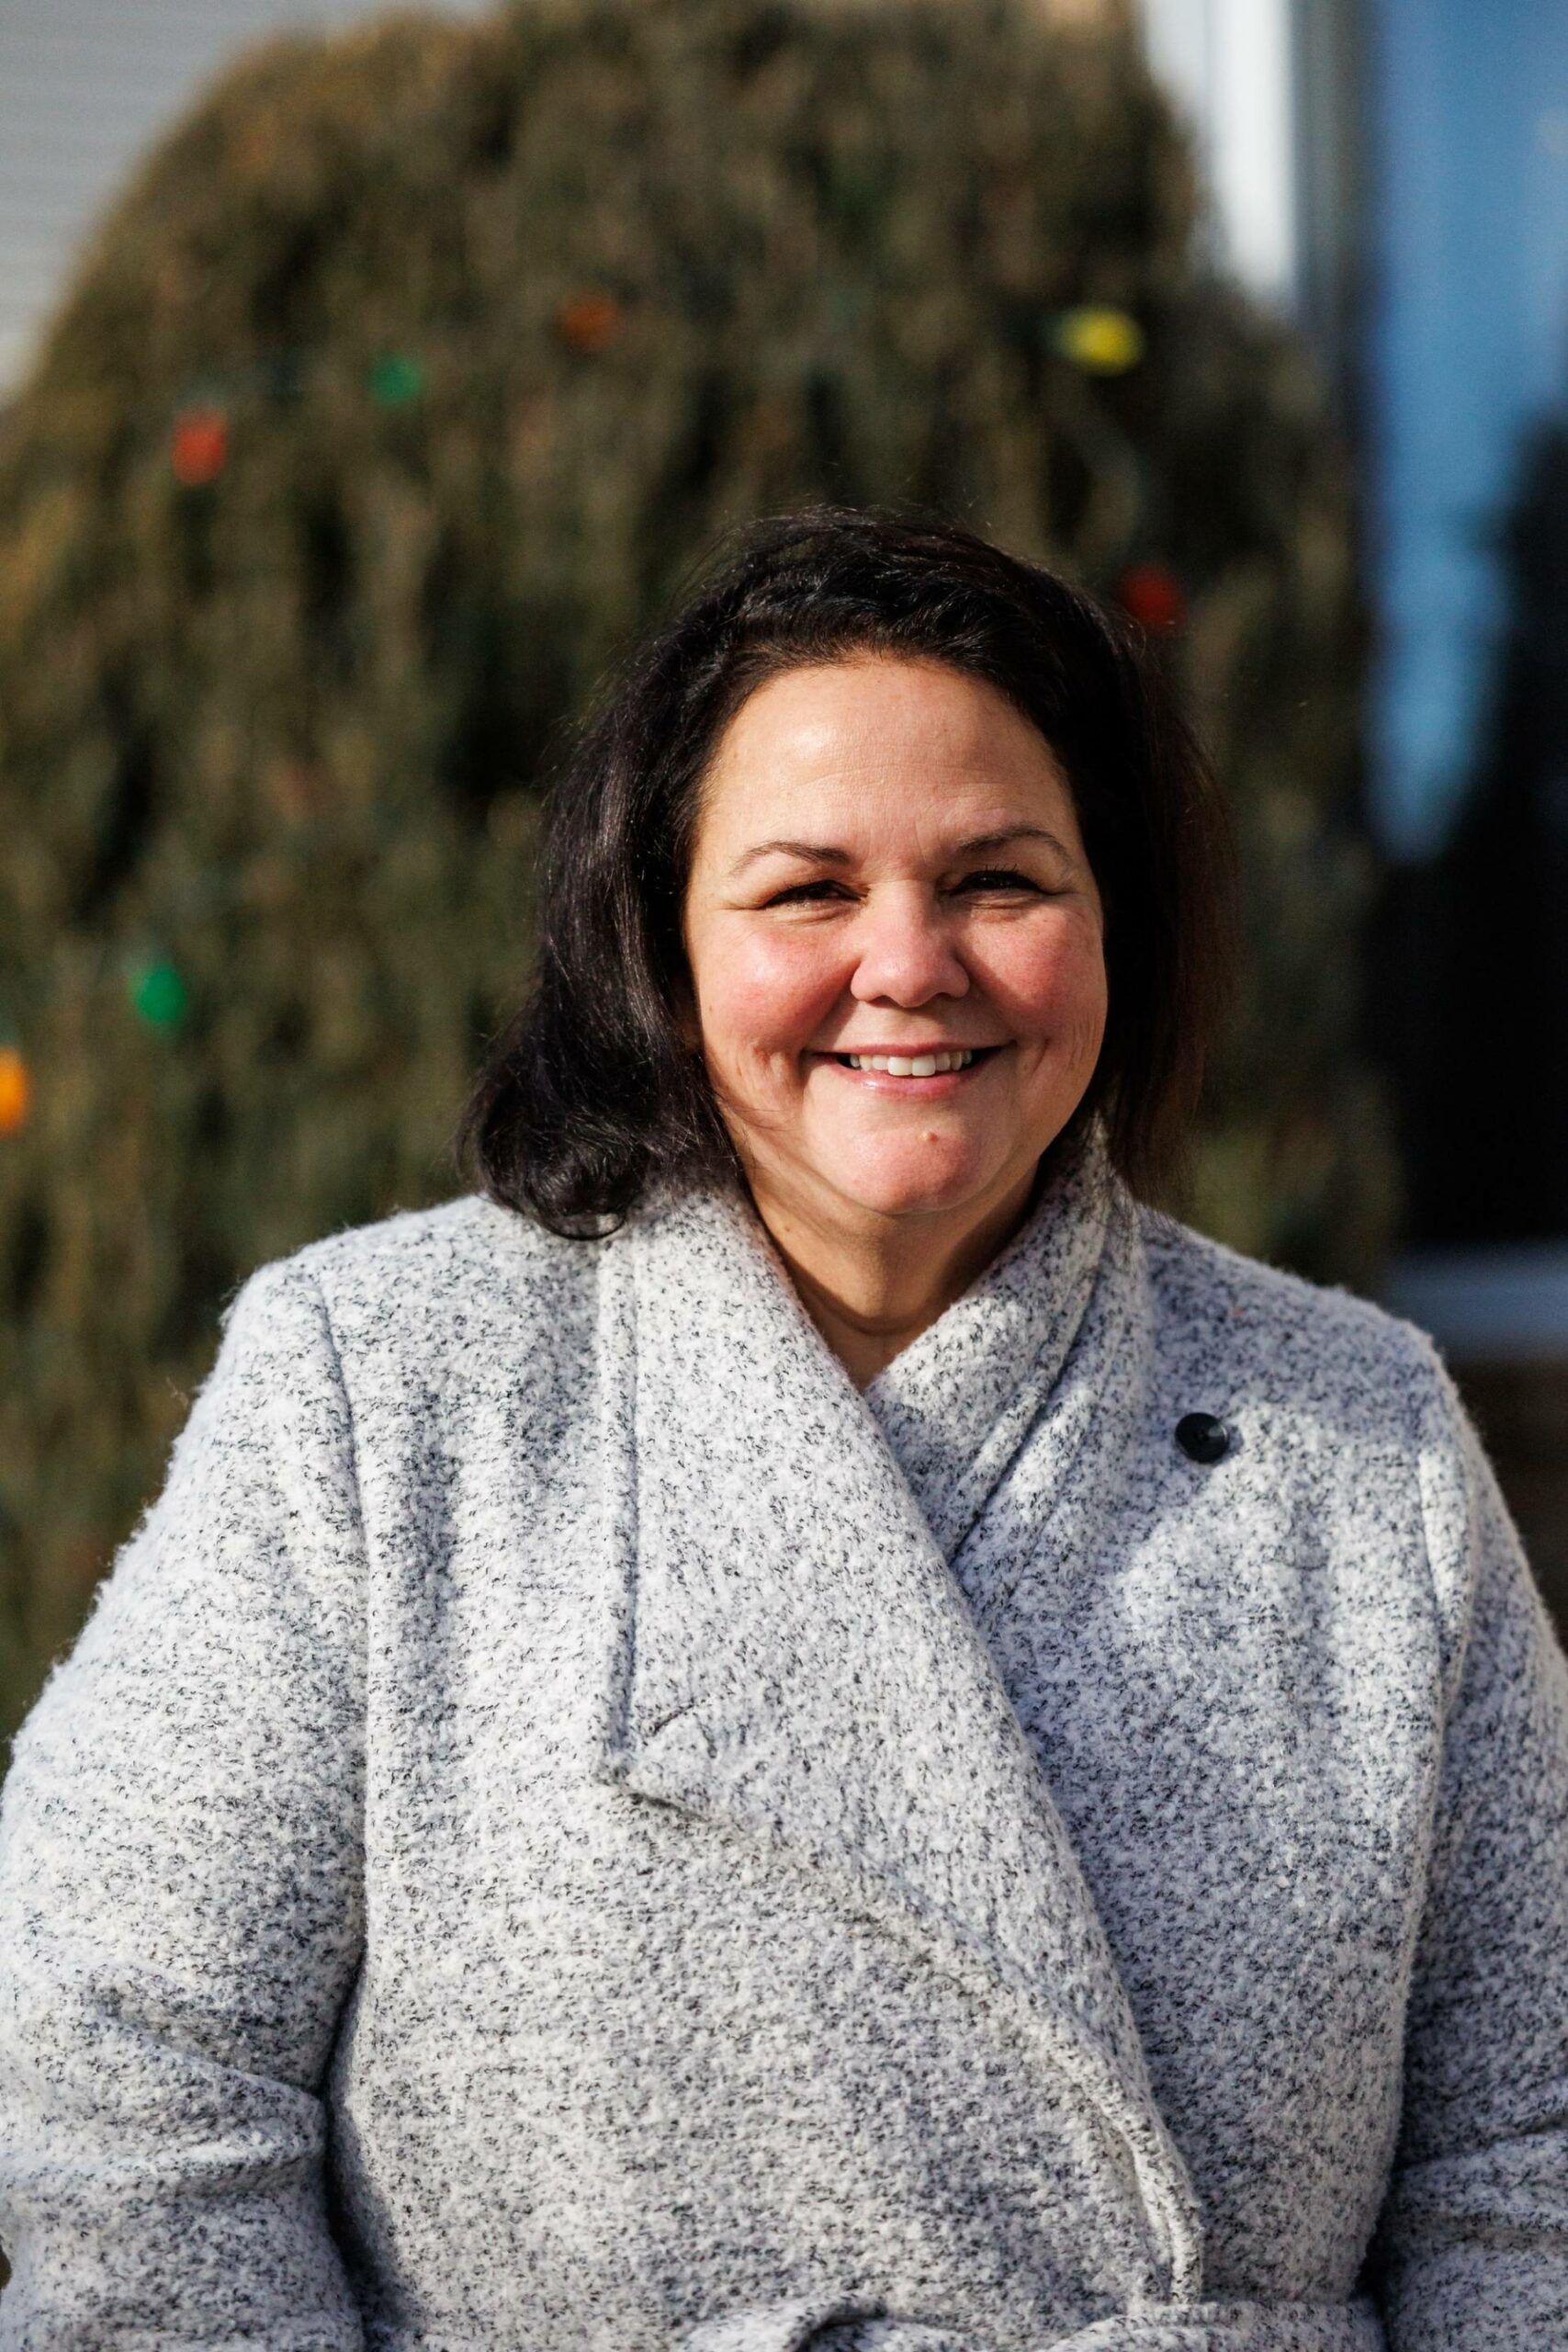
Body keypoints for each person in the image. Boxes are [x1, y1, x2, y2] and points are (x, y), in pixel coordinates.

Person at [1, 507, 1565, 2351]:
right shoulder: (377, 1386)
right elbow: (110, 2077)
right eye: (805, 890)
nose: (907, 962)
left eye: (999, 879)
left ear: (1113, 926)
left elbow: (1523, 2158)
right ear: (658, 942)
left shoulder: (1355, 1436)